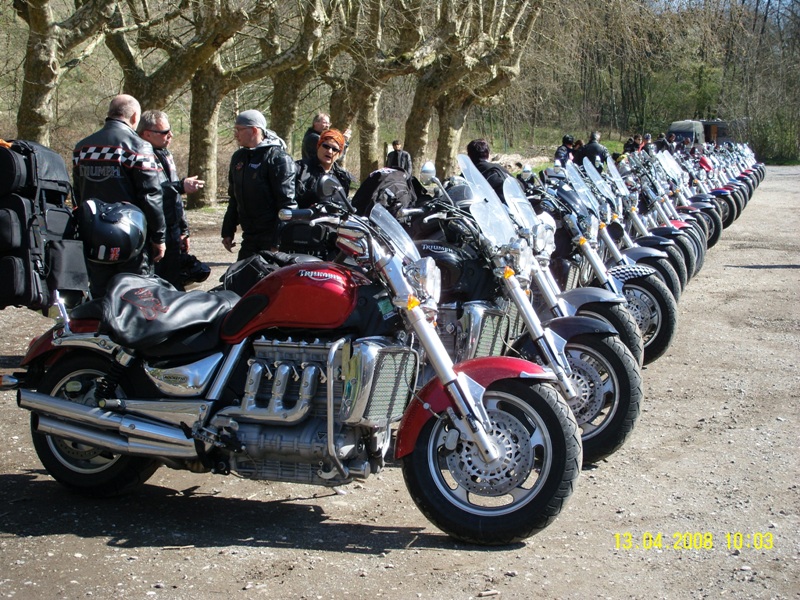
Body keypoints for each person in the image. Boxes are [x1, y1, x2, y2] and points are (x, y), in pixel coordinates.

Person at [72, 94, 166, 297]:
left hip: (94, 234)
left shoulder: (82, 148)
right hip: (131, 235)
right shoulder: (139, 147)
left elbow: (78, 193)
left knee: (101, 295)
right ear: (134, 117)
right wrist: (159, 237)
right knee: (135, 295)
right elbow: (151, 195)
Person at [137, 110, 204, 290]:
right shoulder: (138, 155)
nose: (171, 135)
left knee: (174, 284)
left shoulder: (165, 154)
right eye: (165, 132)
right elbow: (149, 191)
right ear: (147, 134)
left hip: (172, 229)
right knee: (156, 285)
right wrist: (180, 186)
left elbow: (175, 197)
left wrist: (184, 229)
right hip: (153, 231)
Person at [221, 110, 297, 260]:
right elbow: (234, 198)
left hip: (271, 238)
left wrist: (277, 242)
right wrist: (227, 231)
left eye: (239, 130)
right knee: (240, 274)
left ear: (254, 130)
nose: (236, 134)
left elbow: (287, 205)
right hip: (249, 236)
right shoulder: (239, 157)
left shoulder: (278, 158)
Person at [294, 128, 356, 208]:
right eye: (326, 146)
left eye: (334, 149)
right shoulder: (299, 169)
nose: (329, 151)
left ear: (339, 154)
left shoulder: (343, 177)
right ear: (318, 146)